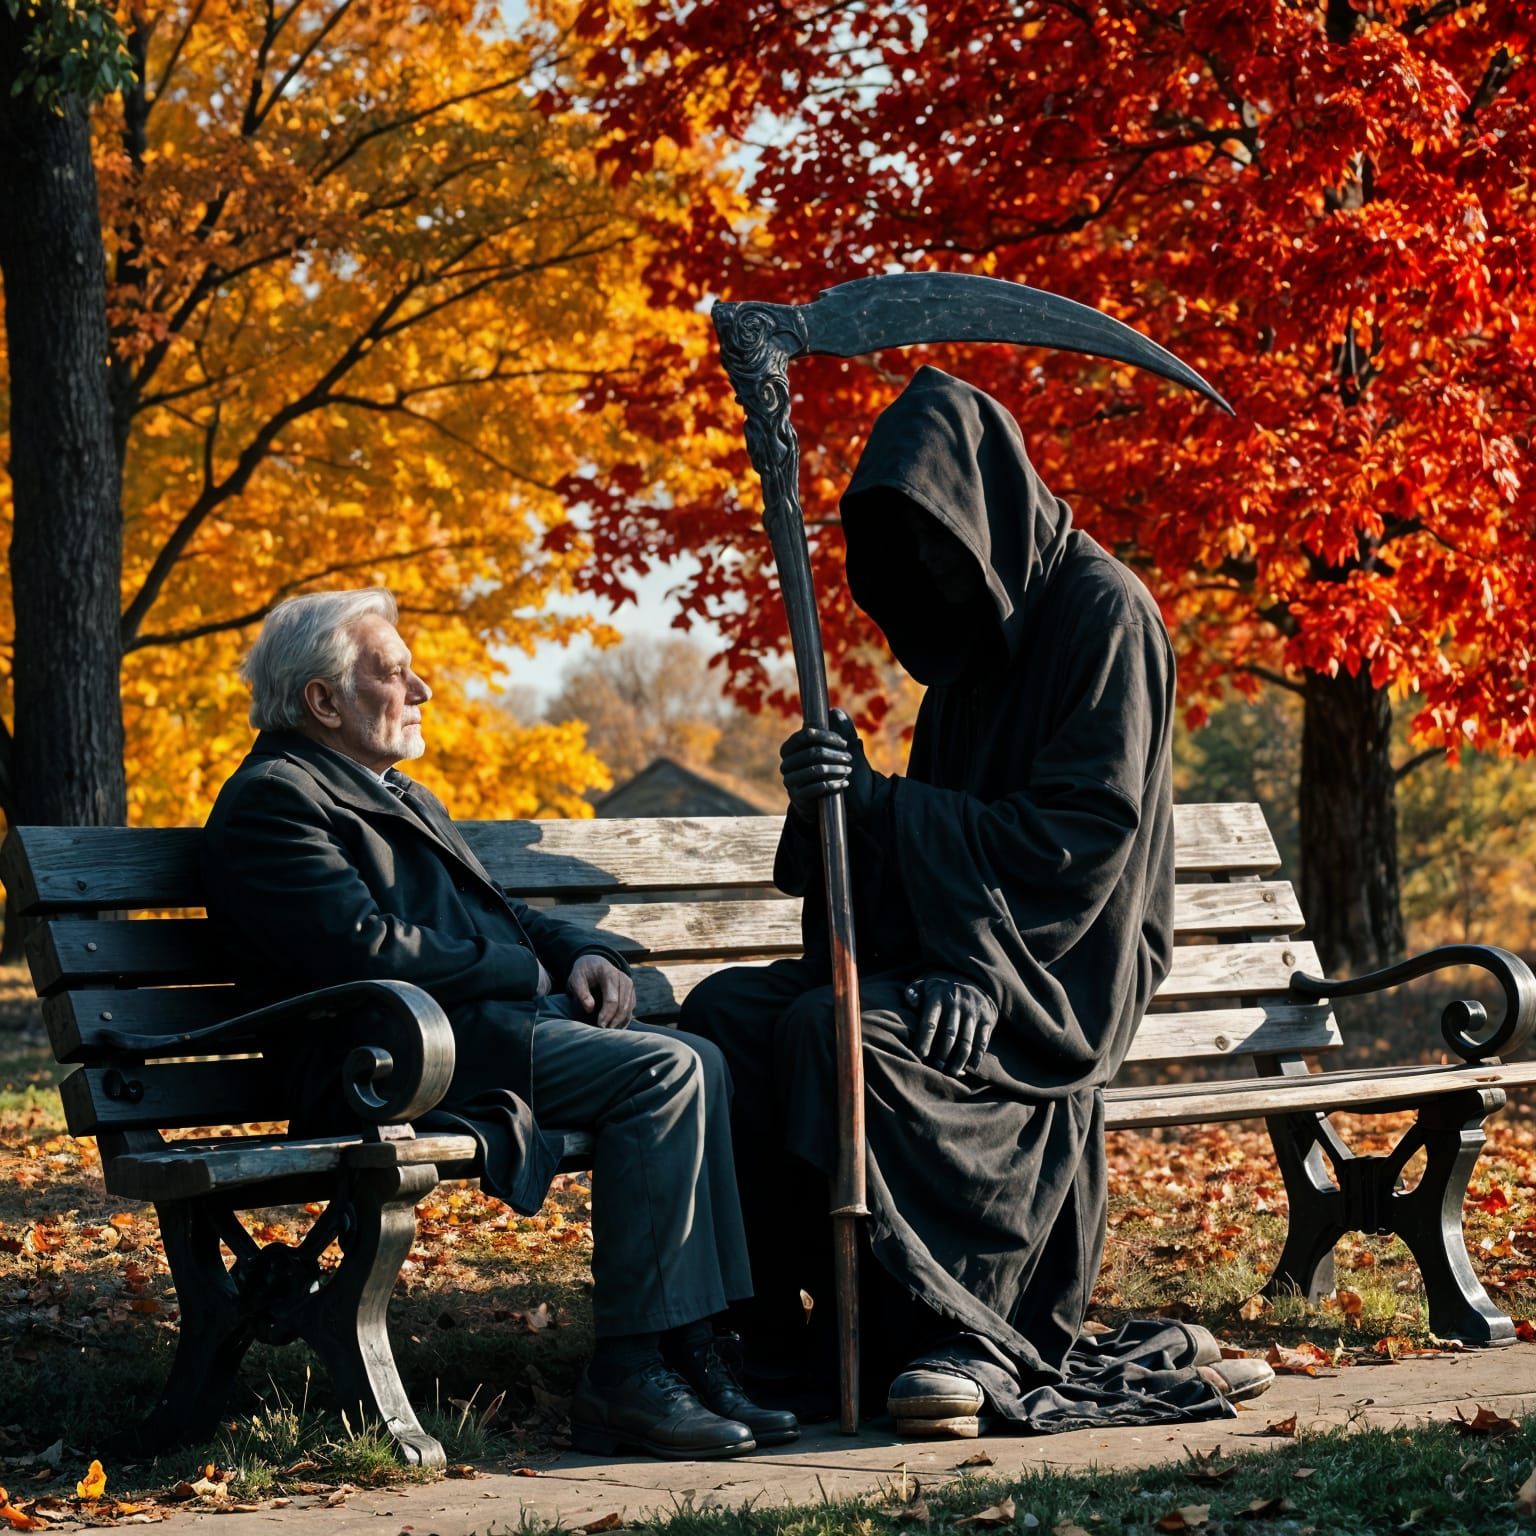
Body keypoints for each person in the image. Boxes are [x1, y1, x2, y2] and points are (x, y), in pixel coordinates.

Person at [679, 366, 1272, 1437]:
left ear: (987, 509)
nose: (927, 577)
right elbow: (921, 829)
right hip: (970, 949)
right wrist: (834, 807)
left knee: (832, 1029)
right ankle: (762, 1324)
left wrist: (980, 971)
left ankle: (954, 1318)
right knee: (726, 1018)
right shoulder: (966, 649)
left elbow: (1082, 841)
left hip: (1060, 970)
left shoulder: (1103, 615)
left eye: (938, 545)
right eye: (902, 555)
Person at [202, 589, 797, 1460]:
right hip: (384, 1061)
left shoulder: (393, 793)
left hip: (464, 1037)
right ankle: (628, 1372)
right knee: (663, 1072)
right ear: (323, 701)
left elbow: (501, 912)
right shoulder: (276, 802)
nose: (423, 690)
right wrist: (531, 971)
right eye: (393, 673)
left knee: (700, 1052)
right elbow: (364, 949)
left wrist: (584, 954)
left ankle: (692, 1345)